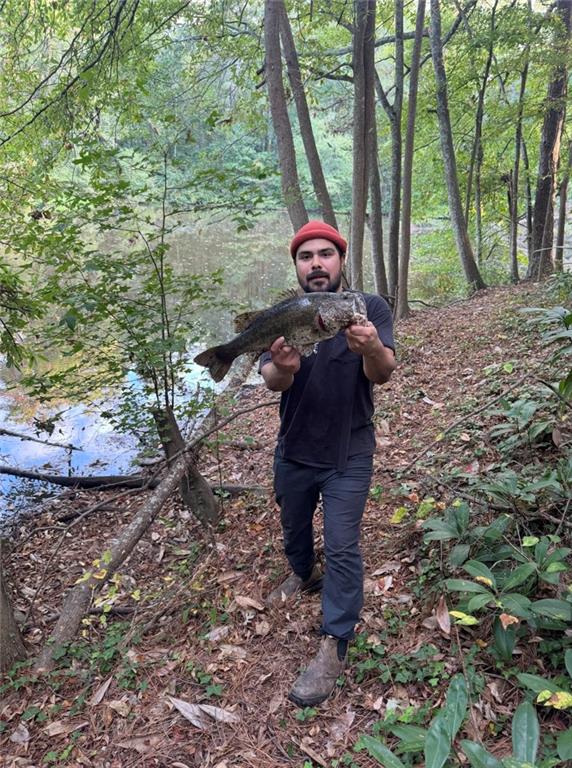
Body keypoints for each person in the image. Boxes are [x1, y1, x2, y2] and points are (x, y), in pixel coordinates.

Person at [259, 220, 396, 707]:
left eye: (325, 255)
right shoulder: (284, 314)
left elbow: (382, 374)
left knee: (342, 545)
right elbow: (273, 381)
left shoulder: (368, 308)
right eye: (305, 256)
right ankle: (301, 572)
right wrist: (283, 367)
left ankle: (335, 642)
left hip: (349, 451)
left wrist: (373, 347)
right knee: (292, 522)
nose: (316, 263)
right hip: (294, 446)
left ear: (340, 260)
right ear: (297, 266)